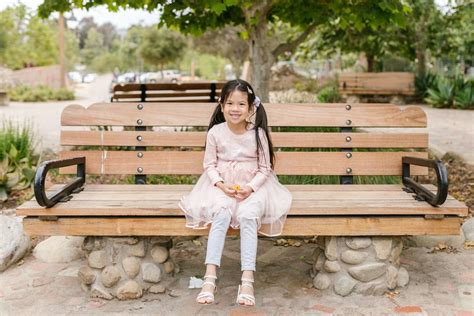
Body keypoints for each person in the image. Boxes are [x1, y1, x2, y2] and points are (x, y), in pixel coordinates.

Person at [179, 79, 292, 306]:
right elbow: (209, 165)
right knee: (220, 213)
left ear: (251, 108)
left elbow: (265, 168)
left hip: (255, 187)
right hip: (222, 186)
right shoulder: (215, 133)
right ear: (221, 106)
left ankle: (247, 278)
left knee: (248, 215)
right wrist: (221, 185)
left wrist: (250, 187)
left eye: (241, 104)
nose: (235, 109)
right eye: (230, 103)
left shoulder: (257, 133)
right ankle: (209, 278)